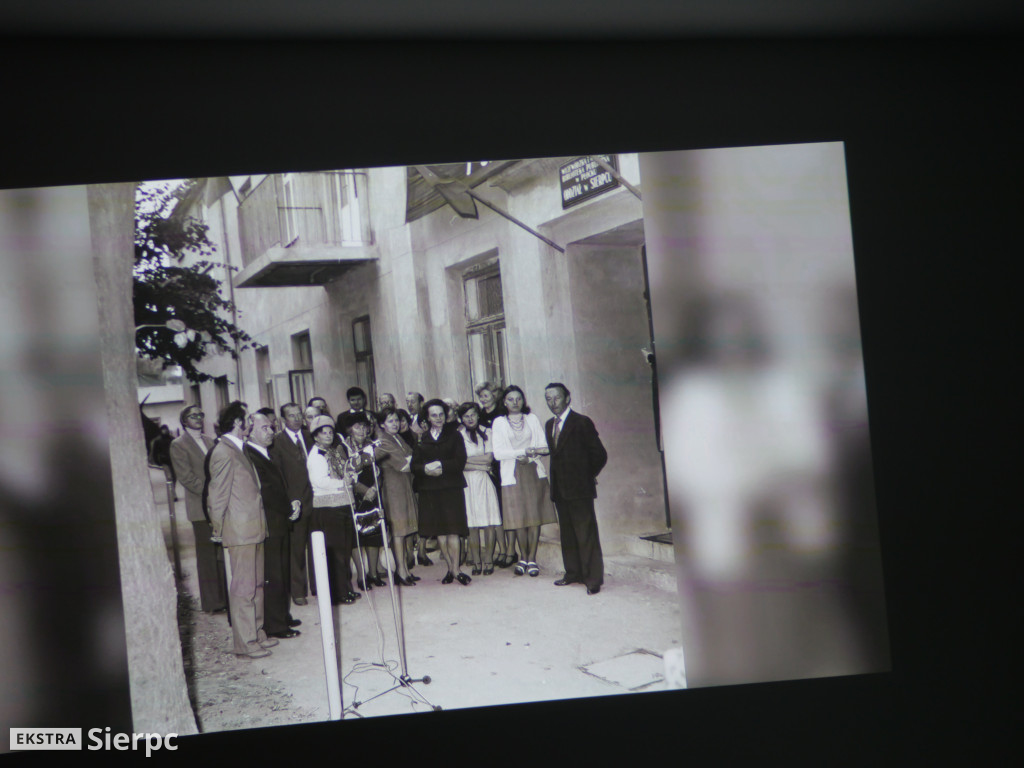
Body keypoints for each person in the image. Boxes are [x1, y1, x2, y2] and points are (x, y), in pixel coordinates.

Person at [206, 402, 274, 659]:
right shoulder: (223, 452)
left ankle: (256, 632)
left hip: (254, 527)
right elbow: (217, 495)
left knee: (256, 585)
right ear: (237, 422)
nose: (251, 424)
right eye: (248, 419)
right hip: (240, 530)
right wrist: (218, 528)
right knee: (244, 588)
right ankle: (245, 642)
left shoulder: (239, 448)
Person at [543, 383, 608, 596]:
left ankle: (593, 579)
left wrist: (586, 476)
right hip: (560, 490)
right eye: (548, 399)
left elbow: (599, 455)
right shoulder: (549, 425)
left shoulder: (581, 422)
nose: (553, 402)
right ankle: (573, 573)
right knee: (568, 534)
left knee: (585, 534)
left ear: (567, 398)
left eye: (557, 397)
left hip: (580, 490)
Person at [245, 411, 302, 638]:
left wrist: (292, 502)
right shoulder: (250, 455)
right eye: (264, 428)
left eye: (271, 427)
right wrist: (288, 508)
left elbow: (280, 485)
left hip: (279, 521)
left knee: (282, 571)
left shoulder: (267, 452)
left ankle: (283, 615)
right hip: (269, 523)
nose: (271, 432)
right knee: (273, 574)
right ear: (250, 432)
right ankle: (275, 624)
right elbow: (266, 492)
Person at [491, 385, 556, 577]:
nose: (515, 402)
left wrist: (531, 456)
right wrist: (523, 452)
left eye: (518, 398)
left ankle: (532, 559)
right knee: (518, 518)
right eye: (510, 399)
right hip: (511, 474)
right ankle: (522, 558)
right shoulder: (499, 422)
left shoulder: (531, 418)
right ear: (504, 402)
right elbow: (498, 453)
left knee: (534, 517)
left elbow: (543, 446)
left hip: (533, 471)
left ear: (523, 400)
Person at [168, 405, 227, 613]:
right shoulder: (178, 445)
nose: (198, 418)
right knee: (207, 555)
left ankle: (225, 597)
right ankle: (212, 602)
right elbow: (186, 477)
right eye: (193, 416)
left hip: (218, 505)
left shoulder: (210, 441)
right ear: (184, 421)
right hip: (200, 507)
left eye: (200, 414)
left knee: (221, 552)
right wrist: (211, 492)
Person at [411, 399, 471, 585]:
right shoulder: (422, 438)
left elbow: (460, 461)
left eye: (441, 414)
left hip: (451, 488)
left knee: (453, 530)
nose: (438, 418)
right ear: (427, 418)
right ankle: (450, 569)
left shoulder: (455, 435)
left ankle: (456, 569)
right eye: (434, 415)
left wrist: (441, 465)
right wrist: (425, 469)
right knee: (440, 532)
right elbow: (414, 465)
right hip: (430, 490)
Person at [306, 415, 360, 605]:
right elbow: (320, 481)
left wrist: (351, 475)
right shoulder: (316, 456)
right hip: (328, 508)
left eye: (330, 432)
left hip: (342, 505)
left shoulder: (334, 452)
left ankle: (345, 588)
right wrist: (343, 483)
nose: (328, 435)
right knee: (336, 553)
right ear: (316, 436)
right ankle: (338, 593)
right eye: (323, 433)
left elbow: (344, 470)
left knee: (344, 551)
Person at [271, 403, 315, 606]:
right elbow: (279, 475)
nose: (297, 419)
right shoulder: (277, 442)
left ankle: (319, 585)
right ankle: (298, 591)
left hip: (316, 498)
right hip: (295, 501)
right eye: (292, 416)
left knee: (318, 543)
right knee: (296, 549)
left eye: (299, 415)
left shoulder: (310, 436)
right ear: (283, 420)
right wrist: (290, 501)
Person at [338, 411, 385, 590]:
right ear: (349, 429)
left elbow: (380, 470)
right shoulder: (342, 448)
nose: (362, 430)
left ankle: (373, 573)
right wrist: (364, 490)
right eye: (358, 427)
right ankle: (361, 575)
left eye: (365, 426)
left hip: (373, 492)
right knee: (356, 536)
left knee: (373, 532)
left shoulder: (372, 445)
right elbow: (344, 474)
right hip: (354, 495)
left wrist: (374, 489)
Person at [372, 407, 419, 586]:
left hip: (404, 486)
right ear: (382, 424)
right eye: (390, 421)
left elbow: (412, 456)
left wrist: (413, 459)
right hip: (393, 490)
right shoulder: (384, 441)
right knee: (398, 532)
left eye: (397, 420)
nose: (395, 424)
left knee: (405, 530)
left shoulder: (397, 438)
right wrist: (415, 460)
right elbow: (404, 464)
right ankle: (400, 571)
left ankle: (405, 569)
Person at [458, 402, 501, 575]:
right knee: (472, 524)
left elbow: (489, 458)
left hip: (484, 481)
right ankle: (476, 561)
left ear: (478, 415)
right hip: (466, 483)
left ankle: (488, 560)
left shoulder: (487, 432)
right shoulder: (458, 435)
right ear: (462, 418)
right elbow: (458, 463)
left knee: (489, 522)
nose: (470, 419)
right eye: (466, 416)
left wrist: (467, 461)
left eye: (473, 415)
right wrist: (479, 464)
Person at [475, 381, 512, 566]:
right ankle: (501, 549)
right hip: (486, 466)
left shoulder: (502, 414)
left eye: (486, 395)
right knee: (494, 509)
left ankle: (509, 550)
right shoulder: (479, 416)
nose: (483, 399)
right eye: (481, 396)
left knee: (504, 508)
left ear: (494, 396)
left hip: (501, 464)